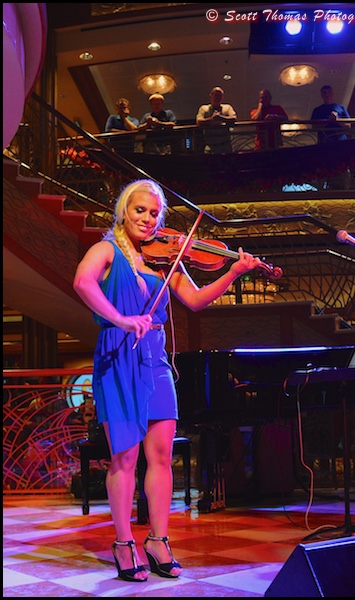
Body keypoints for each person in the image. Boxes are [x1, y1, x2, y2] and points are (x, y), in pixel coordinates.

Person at [73, 179, 261, 582]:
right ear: (124, 210)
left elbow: (195, 300)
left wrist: (234, 270)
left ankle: (158, 540)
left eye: (155, 213)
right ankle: (124, 544)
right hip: (117, 359)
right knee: (124, 458)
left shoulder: (163, 260)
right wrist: (121, 319)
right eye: (140, 210)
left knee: (161, 457)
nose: (147, 219)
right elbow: (82, 282)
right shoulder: (106, 250)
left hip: (155, 361)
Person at [196, 86, 237, 154]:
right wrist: (211, 119)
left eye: (220, 95)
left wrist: (221, 117)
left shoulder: (227, 107)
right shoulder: (204, 108)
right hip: (210, 146)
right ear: (211, 96)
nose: (218, 97)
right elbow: (199, 121)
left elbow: (234, 118)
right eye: (216, 95)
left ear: (222, 97)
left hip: (225, 146)